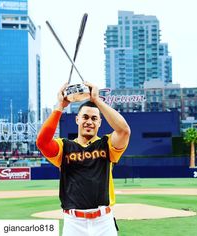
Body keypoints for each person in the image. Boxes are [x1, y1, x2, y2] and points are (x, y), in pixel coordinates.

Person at [36, 82, 130, 236]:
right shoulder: (64, 147)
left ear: (99, 123)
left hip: (103, 221)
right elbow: (42, 142)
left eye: (94, 118)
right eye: (85, 117)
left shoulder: (106, 145)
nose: (89, 121)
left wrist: (97, 101)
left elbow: (124, 130)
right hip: (74, 223)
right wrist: (60, 106)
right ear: (77, 120)